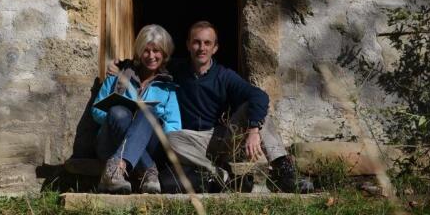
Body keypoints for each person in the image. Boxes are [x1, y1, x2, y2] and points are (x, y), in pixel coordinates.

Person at [110, 21, 313, 193]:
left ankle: (283, 170)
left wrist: (253, 130)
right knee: (169, 138)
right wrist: (121, 66)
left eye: (207, 43)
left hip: (221, 136)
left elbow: (258, 95)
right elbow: (149, 61)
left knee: (257, 110)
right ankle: (220, 174)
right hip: (187, 141)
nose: (202, 48)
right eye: (197, 42)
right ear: (188, 45)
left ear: (215, 48)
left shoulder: (224, 76)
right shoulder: (176, 69)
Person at [92, 24, 181, 194]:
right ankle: (148, 170)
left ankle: (115, 171)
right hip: (110, 142)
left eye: (157, 51)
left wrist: (147, 127)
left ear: (165, 53)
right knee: (118, 112)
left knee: (149, 113)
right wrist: (120, 121)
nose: (151, 56)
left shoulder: (168, 88)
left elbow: (174, 127)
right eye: (146, 50)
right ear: (139, 51)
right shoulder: (118, 75)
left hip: (150, 147)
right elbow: (96, 111)